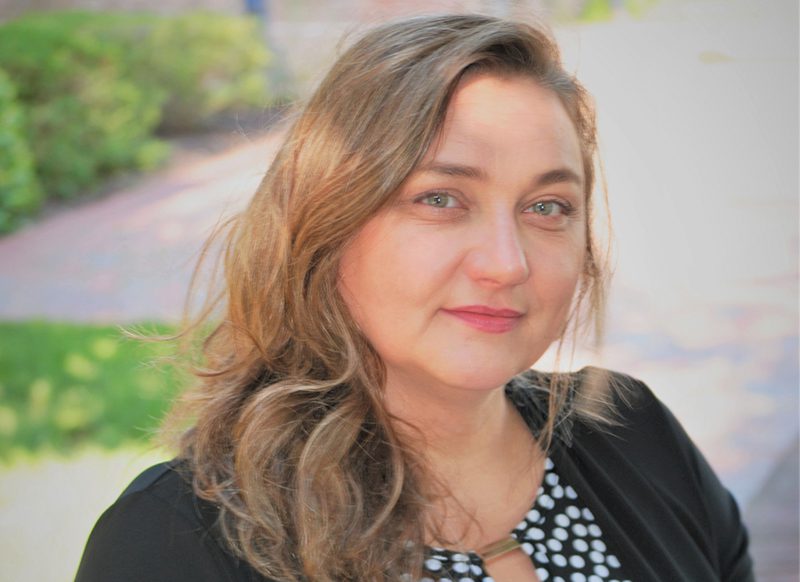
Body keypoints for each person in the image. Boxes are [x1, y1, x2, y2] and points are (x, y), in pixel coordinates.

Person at [74, 13, 754, 582]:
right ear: (327, 222)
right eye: (439, 198)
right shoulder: (175, 541)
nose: (505, 263)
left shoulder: (633, 432)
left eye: (547, 206)